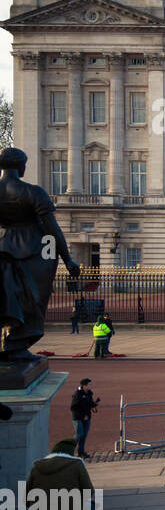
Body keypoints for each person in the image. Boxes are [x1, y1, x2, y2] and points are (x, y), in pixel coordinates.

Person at [0, 146, 81, 362]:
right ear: (20, 165)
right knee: (33, 301)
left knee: (8, 298)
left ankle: (8, 343)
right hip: (35, 250)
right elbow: (53, 230)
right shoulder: (33, 191)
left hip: (4, 247)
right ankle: (16, 344)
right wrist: (68, 259)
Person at [70, 377, 98, 458]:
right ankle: (69, 451)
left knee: (84, 435)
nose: (91, 386)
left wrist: (94, 405)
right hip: (78, 418)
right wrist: (83, 416)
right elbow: (73, 407)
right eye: (89, 384)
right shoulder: (77, 394)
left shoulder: (89, 393)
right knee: (79, 434)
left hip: (87, 417)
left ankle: (81, 452)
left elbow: (90, 403)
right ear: (84, 386)